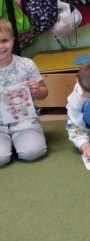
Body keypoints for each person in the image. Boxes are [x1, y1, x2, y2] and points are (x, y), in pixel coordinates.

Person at [0, 19, 47, 166]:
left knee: (33, 152)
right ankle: (9, 144)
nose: (0, 46)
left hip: (24, 120)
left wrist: (36, 90)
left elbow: (44, 93)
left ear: (13, 41)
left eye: (4, 40)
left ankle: (21, 140)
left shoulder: (26, 64)